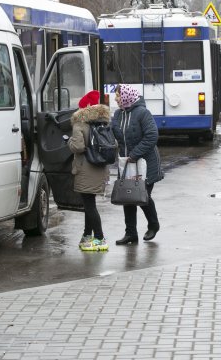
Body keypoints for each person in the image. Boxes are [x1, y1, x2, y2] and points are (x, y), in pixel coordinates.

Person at [111, 84, 164, 244]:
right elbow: (114, 133)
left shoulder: (142, 113)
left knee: (142, 195)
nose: (116, 99)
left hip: (145, 163)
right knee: (128, 196)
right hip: (126, 163)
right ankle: (131, 233)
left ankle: (153, 225)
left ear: (127, 96)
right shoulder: (118, 114)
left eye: (119, 95)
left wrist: (135, 154)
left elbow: (152, 135)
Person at [68, 90, 110, 251]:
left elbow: (78, 146)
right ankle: (87, 235)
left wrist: (69, 143)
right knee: (89, 203)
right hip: (99, 168)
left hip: (85, 169)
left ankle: (99, 238)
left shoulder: (79, 124)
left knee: (89, 205)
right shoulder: (103, 122)